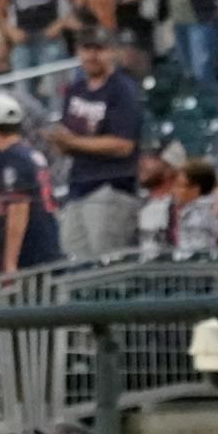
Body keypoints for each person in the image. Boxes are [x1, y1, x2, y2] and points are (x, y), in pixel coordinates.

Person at [48, 28, 144, 260]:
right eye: (86, 49)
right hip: (77, 187)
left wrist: (73, 142)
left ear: (111, 52)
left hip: (111, 188)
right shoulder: (75, 90)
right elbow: (67, 141)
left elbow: (124, 145)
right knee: (73, 261)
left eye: (98, 49)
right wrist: (59, 140)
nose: (92, 55)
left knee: (106, 264)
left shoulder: (122, 89)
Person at [0, 93, 62, 274]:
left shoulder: (13, 161)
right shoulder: (27, 153)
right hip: (45, 250)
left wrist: (10, 264)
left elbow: (18, 209)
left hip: (31, 258)